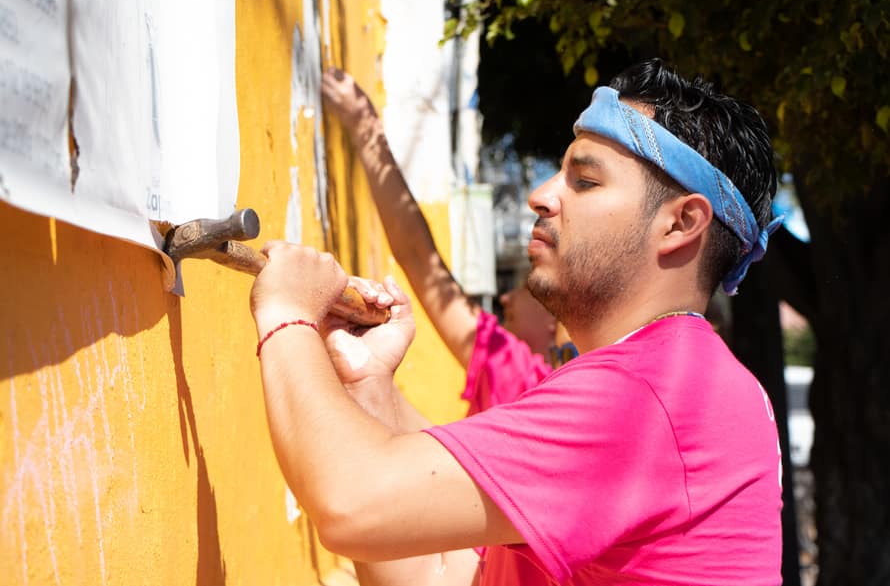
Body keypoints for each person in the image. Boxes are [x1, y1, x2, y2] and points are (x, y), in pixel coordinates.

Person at [249, 58, 784, 585]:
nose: (542, 194)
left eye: (586, 180)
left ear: (680, 223)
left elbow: (353, 505)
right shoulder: (676, 382)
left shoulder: (652, 394)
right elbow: (440, 572)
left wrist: (287, 314)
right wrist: (367, 382)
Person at [321, 67, 569, 411]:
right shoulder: (553, 398)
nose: (507, 298)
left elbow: (418, 258)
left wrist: (365, 128)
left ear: (553, 320)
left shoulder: (520, 379)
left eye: (525, 286)